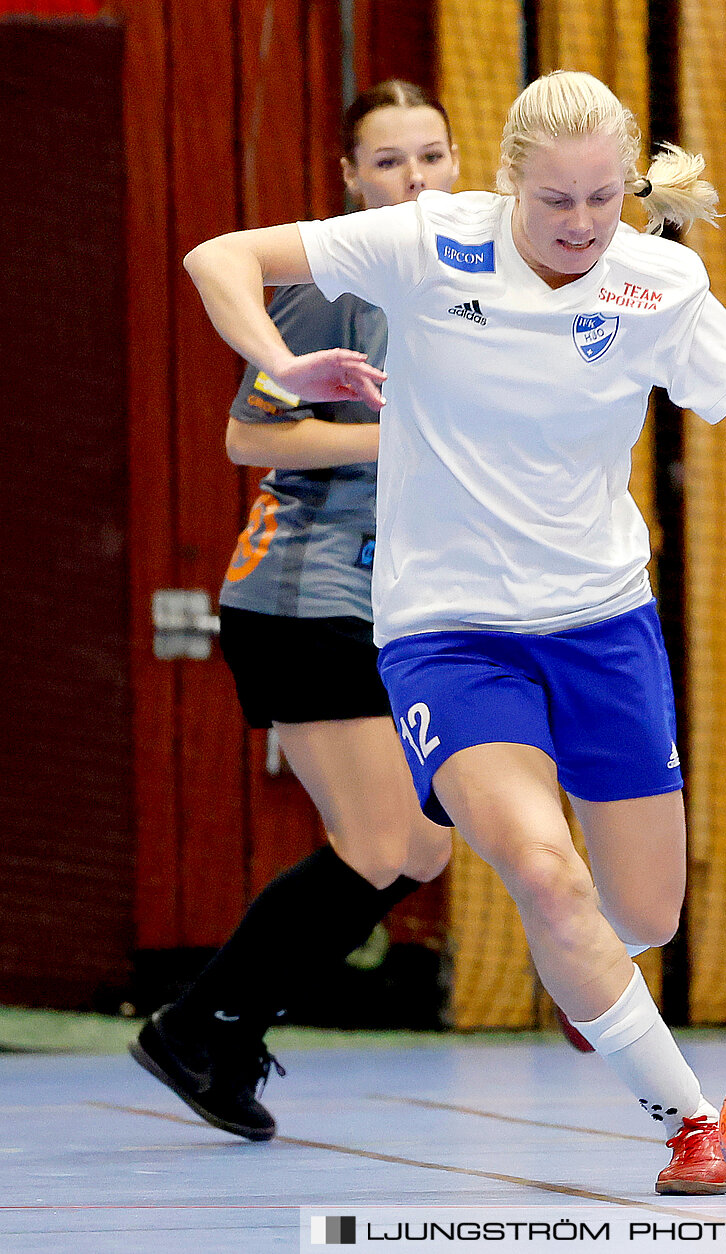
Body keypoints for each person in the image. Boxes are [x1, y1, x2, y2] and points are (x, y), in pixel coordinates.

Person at [180, 69, 726, 1194]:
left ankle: (599, 987)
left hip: (601, 623)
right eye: (555, 203)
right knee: (542, 869)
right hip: (447, 630)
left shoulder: (657, 282)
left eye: (600, 199)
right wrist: (284, 365)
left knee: (645, 911)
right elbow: (219, 257)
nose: (581, 225)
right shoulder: (432, 242)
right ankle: (691, 1123)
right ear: (507, 185)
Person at [132, 81, 460, 1144]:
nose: (416, 180)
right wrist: (399, 439)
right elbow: (250, 438)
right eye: (390, 161)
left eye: (433, 156)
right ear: (351, 180)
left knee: (423, 850)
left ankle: (220, 1030)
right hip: (302, 593)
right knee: (373, 840)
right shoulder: (332, 285)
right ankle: (197, 1026)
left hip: (386, 601)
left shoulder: (458, 281)